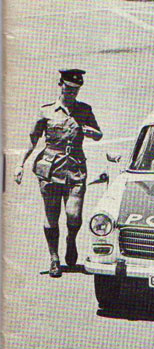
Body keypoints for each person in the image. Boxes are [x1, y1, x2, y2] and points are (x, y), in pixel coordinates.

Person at [14, 69, 103, 278]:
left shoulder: (84, 110)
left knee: (74, 214)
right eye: (68, 88)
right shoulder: (46, 111)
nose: (72, 92)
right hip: (50, 169)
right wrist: (20, 164)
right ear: (60, 85)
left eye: (76, 89)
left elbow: (98, 133)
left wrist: (94, 134)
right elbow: (32, 138)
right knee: (51, 216)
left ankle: (71, 240)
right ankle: (54, 258)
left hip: (75, 168)